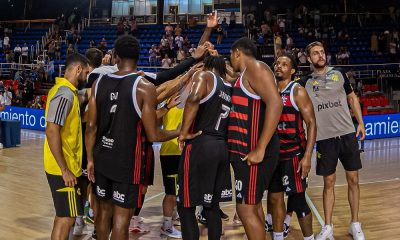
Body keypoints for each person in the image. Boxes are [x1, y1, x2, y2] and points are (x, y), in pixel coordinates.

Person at [85, 35, 180, 240]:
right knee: (121, 220)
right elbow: (153, 133)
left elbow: (91, 127)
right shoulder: (145, 87)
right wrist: (180, 131)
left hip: (102, 157)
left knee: (102, 214)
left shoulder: (98, 83)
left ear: (115, 56)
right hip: (127, 163)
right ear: (139, 57)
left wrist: (90, 159)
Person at [303, 41, 365, 240]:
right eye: (315, 53)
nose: (320, 55)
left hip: (347, 133)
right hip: (324, 138)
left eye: (322, 52)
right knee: (328, 182)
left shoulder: (339, 74)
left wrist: (361, 123)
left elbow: (352, 98)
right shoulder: (304, 82)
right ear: (309, 58)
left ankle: (355, 224)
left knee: (353, 179)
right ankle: (328, 226)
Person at [227, 37, 282, 240]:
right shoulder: (245, 75)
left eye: (230, 56)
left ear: (237, 53)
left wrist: (260, 148)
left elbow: (276, 104)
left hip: (253, 152)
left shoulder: (256, 68)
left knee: (245, 210)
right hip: (245, 153)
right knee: (254, 206)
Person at [177, 55, 232, 240]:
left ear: (206, 65)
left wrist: (184, 132)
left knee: (185, 205)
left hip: (201, 144)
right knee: (211, 206)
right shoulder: (229, 87)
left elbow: (193, 98)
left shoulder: (205, 77)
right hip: (221, 147)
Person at [266, 53, 317, 240]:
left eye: (284, 64)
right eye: (277, 63)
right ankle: (278, 236)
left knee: (298, 200)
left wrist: (307, 156)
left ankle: (309, 238)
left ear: (293, 70)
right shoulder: (268, 90)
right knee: (274, 198)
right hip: (273, 155)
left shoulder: (297, 91)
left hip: (294, 154)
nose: (279, 66)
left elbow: (311, 123)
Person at [43, 53, 90, 240]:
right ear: (78, 70)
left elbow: (87, 94)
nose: (86, 77)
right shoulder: (64, 94)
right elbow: (51, 131)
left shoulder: (66, 91)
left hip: (66, 165)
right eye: (85, 73)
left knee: (63, 216)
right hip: (62, 168)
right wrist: (64, 169)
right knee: (66, 218)